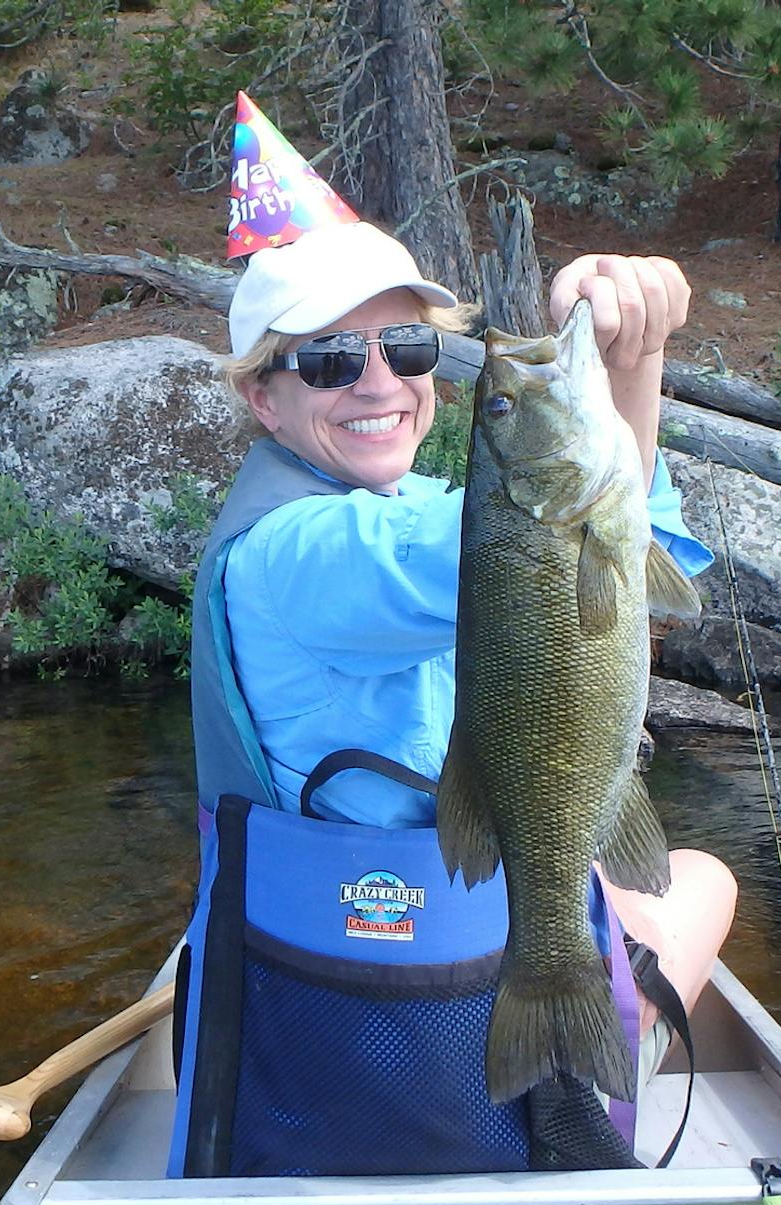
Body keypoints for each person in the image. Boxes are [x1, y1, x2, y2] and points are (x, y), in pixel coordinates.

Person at [211, 217, 736, 1051]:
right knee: (704, 884)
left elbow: (633, 546)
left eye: (409, 347)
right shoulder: (292, 555)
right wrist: (609, 368)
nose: (378, 383)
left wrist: (635, 360)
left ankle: (569, 1017)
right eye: (329, 359)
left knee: (675, 874)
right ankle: (583, 1044)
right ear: (263, 396)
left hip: (410, 912)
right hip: (408, 983)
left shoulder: (419, 503)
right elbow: (525, 533)